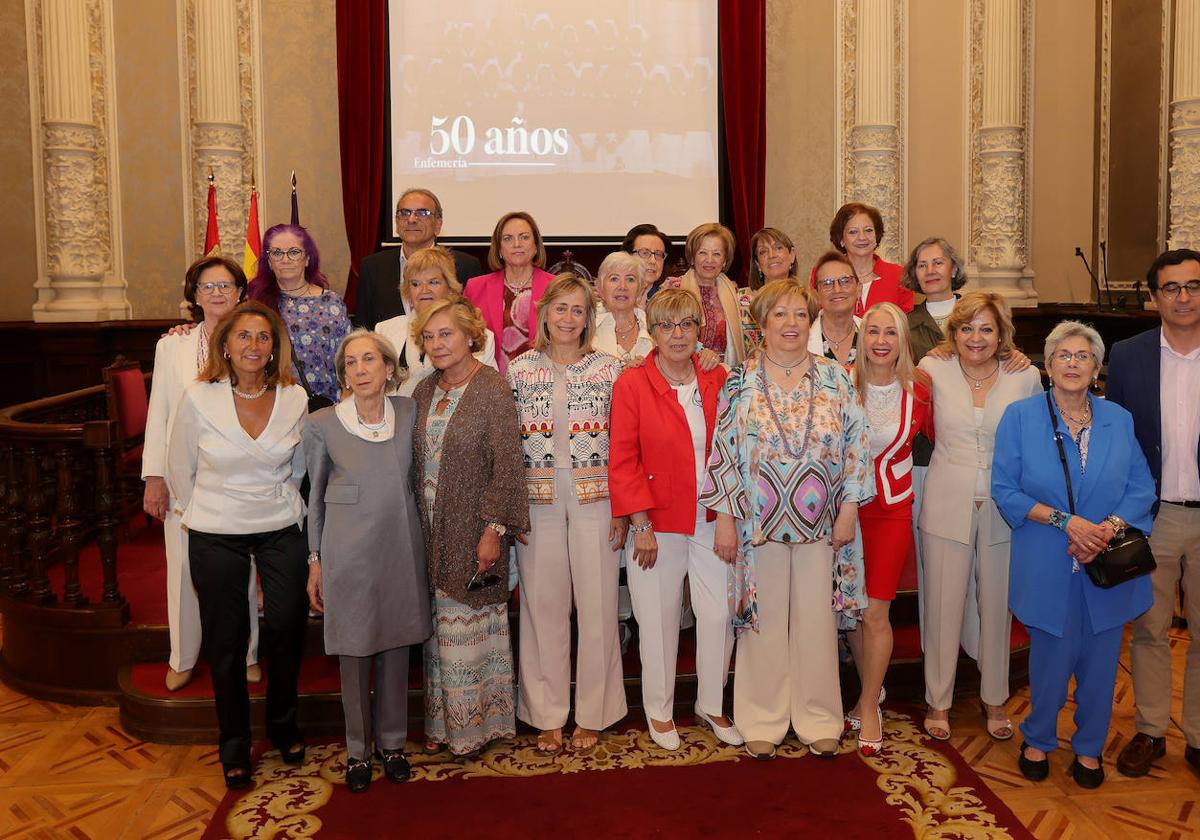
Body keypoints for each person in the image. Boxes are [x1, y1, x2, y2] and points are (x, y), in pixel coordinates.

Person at [700, 280, 872, 761]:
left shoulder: (837, 378)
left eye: (800, 314)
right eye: (781, 314)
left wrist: (850, 509)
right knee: (763, 622)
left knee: (818, 622)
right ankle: (762, 717)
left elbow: (858, 448)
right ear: (762, 322)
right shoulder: (740, 380)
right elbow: (725, 451)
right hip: (758, 524)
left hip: (824, 526)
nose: (791, 324)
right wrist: (726, 518)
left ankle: (819, 717)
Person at [993, 320, 1156, 789]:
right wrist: (1067, 522)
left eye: (1082, 356)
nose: (1072, 364)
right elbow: (1005, 490)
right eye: (1063, 356)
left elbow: (1141, 487)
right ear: (1047, 365)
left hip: (1106, 561)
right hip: (1047, 557)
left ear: (1097, 367)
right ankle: (1038, 738)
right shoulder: (1021, 417)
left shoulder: (1119, 420)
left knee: (1102, 664)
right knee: (1048, 661)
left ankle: (1089, 748)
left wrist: (1106, 529)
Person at [165, 301, 309, 790]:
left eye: (262, 337)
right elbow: (180, 468)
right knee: (225, 642)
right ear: (225, 345)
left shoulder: (294, 397)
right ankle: (234, 745)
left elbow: (300, 468)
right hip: (215, 527)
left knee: (288, 624)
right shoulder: (198, 396)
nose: (253, 346)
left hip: (279, 522)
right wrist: (209, 510)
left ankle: (284, 725)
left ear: (274, 347)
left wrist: (275, 500)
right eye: (243, 337)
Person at [610, 289, 741, 752]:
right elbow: (623, 460)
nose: (678, 334)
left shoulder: (717, 377)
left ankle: (711, 703)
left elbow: (733, 450)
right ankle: (660, 711)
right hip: (657, 525)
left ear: (699, 330)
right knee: (659, 619)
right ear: (654, 332)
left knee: (719, 613)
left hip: (712, 518)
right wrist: (640, 524)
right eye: (666, 326)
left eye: (686, 324)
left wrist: (727, 514)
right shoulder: (632, 384)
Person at [304, 330, 431, 792]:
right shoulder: (323, 424)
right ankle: (358, 751)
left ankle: (393, 743)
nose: (360, 370)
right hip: (348, 553)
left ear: (388, 369)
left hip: (400, 545)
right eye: (351, 364)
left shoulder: (409, 411)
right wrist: (315, 559)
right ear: (343, 375)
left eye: (369, 361)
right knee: (355, 652)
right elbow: (314, 498)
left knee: (397, 646)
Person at [508, 274, 628, 754]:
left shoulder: (610, 369)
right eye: (560, 309)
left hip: (597, 499)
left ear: (588, 318)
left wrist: (625, 508)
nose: (568, 318)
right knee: (543, 605)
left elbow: (624, 441)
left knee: (598, 605)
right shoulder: (518, 370)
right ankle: (547, 714)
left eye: (578, 310)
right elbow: (504, 445)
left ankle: (595, 712)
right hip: (536, 501)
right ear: (544, 314)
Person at [917, 292, 1042, 742]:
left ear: (1002, 334)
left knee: (996, 606)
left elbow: (1035, 445)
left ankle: (994, 699)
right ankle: (938, 700)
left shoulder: (1024, 376)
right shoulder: (932, 369)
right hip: (946, 499)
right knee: (941, 604)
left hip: (1004, 507)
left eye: (986, 328)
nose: (976, 337)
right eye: (967, 327)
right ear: (953, 332)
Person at [411, 298, 529, 758]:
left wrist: (493, 529)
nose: (437, 344)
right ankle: (444, 726)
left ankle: (479, 727)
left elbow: (507, 466)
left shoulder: (492, 388)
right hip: (429, 528)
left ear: (469, 336)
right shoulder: (423, 391)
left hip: (475, 529)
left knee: (471, 629)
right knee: (439, 632)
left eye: (446, 334)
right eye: (429, 336)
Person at [142, 256, 260, 692]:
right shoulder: (171, 346)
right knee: (182, 567)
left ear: (240, 292)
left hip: (239, 474)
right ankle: (183, 656)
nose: (216, 293)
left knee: (240, 567)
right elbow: (160, 414)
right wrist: (155, 476)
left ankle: (247, 651)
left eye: (225, 285)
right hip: (183, 475)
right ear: (194, 295)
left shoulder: (253, 341)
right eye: (206, 286)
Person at [1108, 249, 1200, 779]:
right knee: (1149, 627)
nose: (1183, 297)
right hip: (1154, 515)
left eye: (1192, 286)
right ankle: (1150, 730)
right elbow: (1119, 437)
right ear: (1154, 296)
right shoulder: (1129, 356)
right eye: (1172, 288)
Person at [845, 302, 934, 755]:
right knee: (853, 612)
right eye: (873, 331)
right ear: (862, 338)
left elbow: (944, 435)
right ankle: (870, 692)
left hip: (891, 510)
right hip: (843, 512)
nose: (880, 340)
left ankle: (868, 705)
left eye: (890, 333)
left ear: (903, 340)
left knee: (876, 611)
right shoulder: (842, 383)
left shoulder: (920, 389)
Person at [247, 224, 351, 404]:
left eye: (294, 252)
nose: (285, 259)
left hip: (328, 407)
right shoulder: (256, 304)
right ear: (269, 262)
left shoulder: (332, 304)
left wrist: (348, 393)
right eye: (277, 253)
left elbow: (349, 355)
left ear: (308, 258)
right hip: (274, 406)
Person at [374, 246, 497, 396]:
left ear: (451, 288)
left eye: (433, 282)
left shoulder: (479, 335)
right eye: (415, 284)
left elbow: (490, 392)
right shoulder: (384, 332)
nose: (424, 290)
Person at [356, 188, 483, 329]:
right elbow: (363, 327)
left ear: (438, 224)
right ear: (397, 223)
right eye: (404, 213)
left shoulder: (465, 265)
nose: (411, 219)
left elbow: (474, 325)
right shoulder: (373, 267)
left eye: (422, 213)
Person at [463, 211, 556, 374]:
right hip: (489, 383)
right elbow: (462, 340)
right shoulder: (475, 287)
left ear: (536, 246)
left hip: (543, 382)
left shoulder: (556, 286)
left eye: (524, 237)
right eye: (508, 238)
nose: (517, 244)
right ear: (499, 249)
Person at [810, 202, 913, 315]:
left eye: (868, 230)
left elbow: (905, 325)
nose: (862, 237)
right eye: (853, 232)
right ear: (841, 240)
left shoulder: (899, 276)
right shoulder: (824, 273)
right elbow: (815, 316)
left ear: (876, 235)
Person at [677, 222, 747, 366]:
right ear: (692, 257)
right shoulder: (675, 292)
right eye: (702, 252)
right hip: (686, 373)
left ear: (725, 260)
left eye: (716, 254)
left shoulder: (736, 295)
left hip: (726, 375)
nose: (709, 260)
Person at [903, 237, 968, 364]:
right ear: (915, 274)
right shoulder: (905, 324)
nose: (930, 271)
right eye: (922, 265)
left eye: (938, 263)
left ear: (953, 269)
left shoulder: (976, 314)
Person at [592, 251, 655, 364]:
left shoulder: (655, 326)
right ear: (600, 287)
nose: (622, 287)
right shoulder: (586, 329)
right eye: (614, 279)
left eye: (630, 279)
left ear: (640, 289)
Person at [809, 250, 863, 368]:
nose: (837, 290)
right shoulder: (803, 340)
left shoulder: (874, 336)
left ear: (859, 289)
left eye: (845, 281)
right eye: (827, 283)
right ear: (816, 294)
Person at [621, 223, 674, 305]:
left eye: (658, 254)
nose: (653, 261)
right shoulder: (611, 299)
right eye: (645, 253)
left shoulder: (669, 303)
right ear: (627, 255)